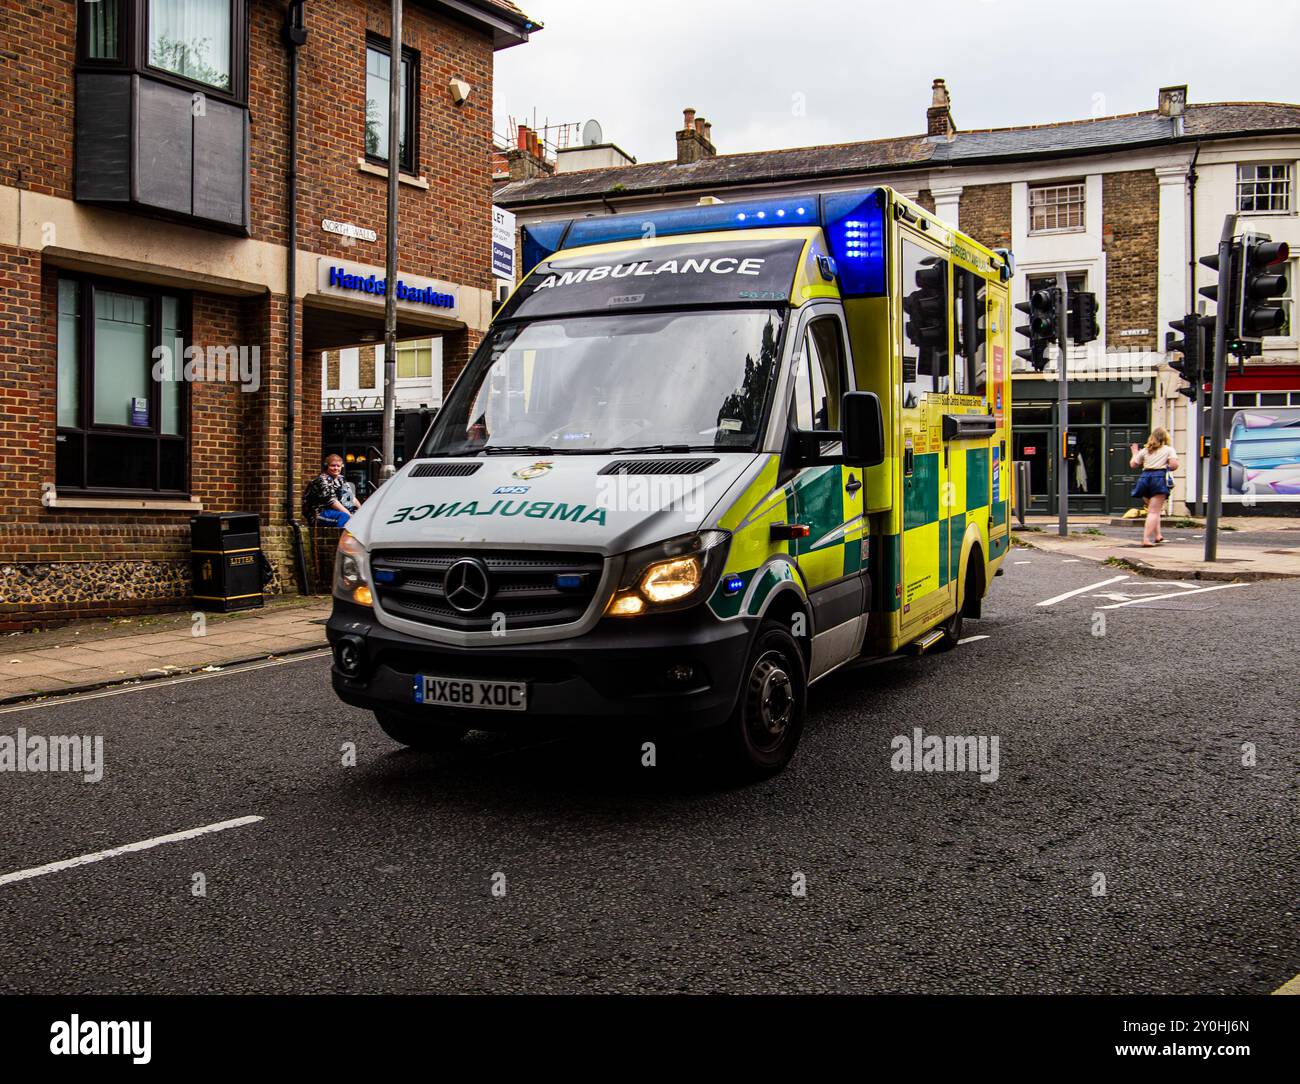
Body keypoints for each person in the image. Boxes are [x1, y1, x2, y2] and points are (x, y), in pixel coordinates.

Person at [1129, 428, 1179, 547]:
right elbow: (1174, 465)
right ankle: (1146, 539)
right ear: (1165, 438)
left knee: (1153, 509)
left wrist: (1135, 453)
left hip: (1144, 478)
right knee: (1154, 511)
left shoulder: (1145, 450)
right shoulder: (1168, 450)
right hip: (1158, 478)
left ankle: (1158, 535)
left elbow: (1133, 464)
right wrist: (1166, 464)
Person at [303, 454, 358, 528]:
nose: (336, 468)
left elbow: (351, 497)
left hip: (335, 512)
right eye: (333, 465)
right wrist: (349, 514)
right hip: (318, 514)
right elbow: (332, 501)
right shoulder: (322, 480)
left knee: (358, 514)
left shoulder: (341, 479)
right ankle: (341, 539)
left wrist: (361, 511)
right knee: (344, 516)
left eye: (338, 466)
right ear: (326, 466)